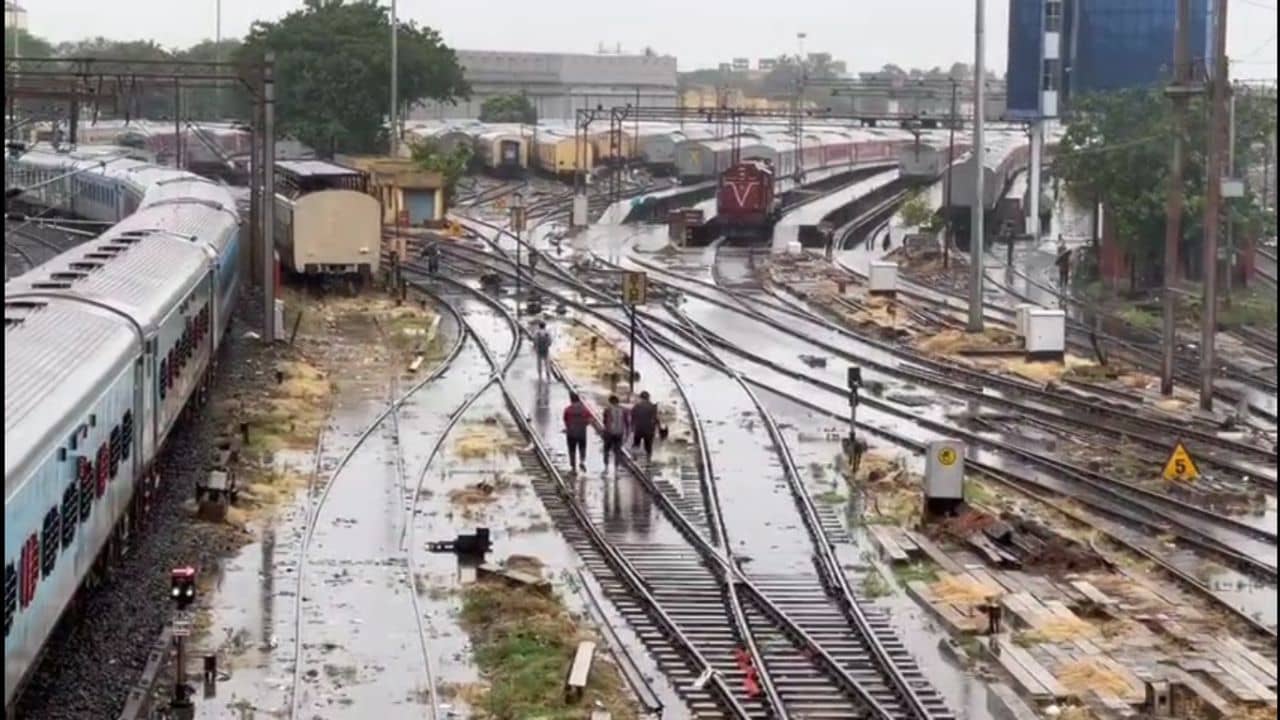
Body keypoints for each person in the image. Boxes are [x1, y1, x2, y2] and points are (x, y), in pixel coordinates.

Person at [563, 392, 591, 473]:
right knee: (582, 447)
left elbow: (565, 420)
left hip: (571, 433)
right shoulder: (584, 409)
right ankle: (582, 461)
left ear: (571, 400)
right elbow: (590, 419)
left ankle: (573, 467)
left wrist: (568, 428)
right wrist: (584, 424)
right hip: (582, 432)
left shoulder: (568, 409)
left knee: (572, 450)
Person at [601, 394, 629, 474]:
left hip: (609, 433)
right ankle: (616, 469)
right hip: (619, 433)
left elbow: (605, 421)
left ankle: (606, 468)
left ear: (610, 401)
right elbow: (627, 422)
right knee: (617, 450)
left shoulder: (607, 409)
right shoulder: (623, 410)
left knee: (606, 450)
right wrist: (626, 433)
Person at [629, 391, 660, 460]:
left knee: (636, 444)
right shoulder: (652, 406)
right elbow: (655, 419)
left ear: (641, 398)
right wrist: (657, 429)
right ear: (648, 397)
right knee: (648, 446)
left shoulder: (637, 406)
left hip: (638, 429)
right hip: (649, 430)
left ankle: (634, 458)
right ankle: (649, 459)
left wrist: (632, 428)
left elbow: (632, 417)